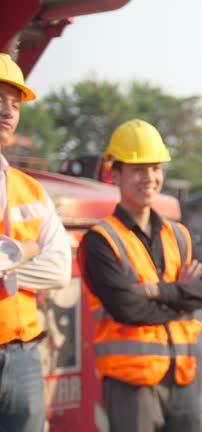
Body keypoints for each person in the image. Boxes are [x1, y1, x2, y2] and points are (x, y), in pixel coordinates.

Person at [79, 119, 202, 432]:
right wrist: (183, 296)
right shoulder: (101, 240)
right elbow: (127, 309)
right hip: (131, 382)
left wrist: (157, 290)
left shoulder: (178, 235)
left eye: (155, 168)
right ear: (116, 174)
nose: (150, 178)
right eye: (139, 169)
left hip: (183, 374)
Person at [0, 53, 72, 432]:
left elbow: (60, 267)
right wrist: (26, 250)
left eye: (15, 104)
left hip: (22, 352)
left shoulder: (30, 190)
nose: (8, 112)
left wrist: (7, 264)